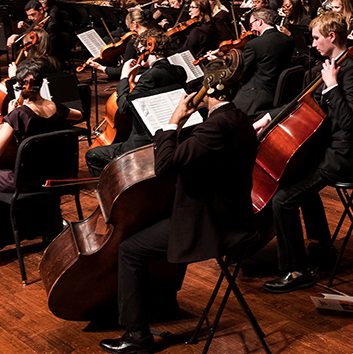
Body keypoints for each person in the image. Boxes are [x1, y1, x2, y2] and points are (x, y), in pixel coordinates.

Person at [100, 61, 258, 354]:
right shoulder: (239, 118)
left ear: (208, 90)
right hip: (234, 213)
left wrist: (173, 122)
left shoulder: (215, 127)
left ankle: (136, 335)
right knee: (157, 224)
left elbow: (166, 165)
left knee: (130, 250)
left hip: (213, 222)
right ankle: (163, 299)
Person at [258, 12, 353, 294]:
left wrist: (332, 86)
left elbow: (350, 121)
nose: (313, 43)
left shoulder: (351, 71)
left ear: (332, 37)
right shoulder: (331, 65)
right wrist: (269, 118)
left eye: (317, 37)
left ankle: (296, 270)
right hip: (326, 150)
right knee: (295, 186)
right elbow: (302, 103)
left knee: (283, 200)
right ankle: (321, 247)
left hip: (344, 157)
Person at [0, 62, 82, 265]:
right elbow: (79, 115)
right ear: (42, 84)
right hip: (55, 177)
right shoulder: (57, 109)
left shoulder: (19, 114)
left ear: (21, 87)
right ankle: (47, 227)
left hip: (26, 180)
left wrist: (7, 118)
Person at [85, 32, 186, 177]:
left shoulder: (150, 76)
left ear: (148, 50)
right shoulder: (179, 71)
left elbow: (124, 107)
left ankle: (111, 192)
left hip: (142, 143)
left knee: (92, 154)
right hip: (170, 135)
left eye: (139, 51)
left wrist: (124, 77)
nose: (138, 55)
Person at [232, 8, 296, 117]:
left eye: (251, 24)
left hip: (258, 97)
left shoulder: (254, 45)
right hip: (280, 93)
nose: (251, 28)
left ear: (260, 21)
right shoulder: (289, 40)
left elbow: (240, 71)